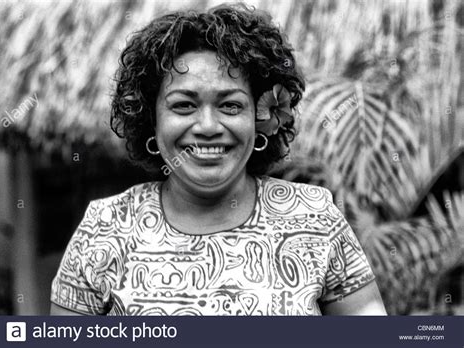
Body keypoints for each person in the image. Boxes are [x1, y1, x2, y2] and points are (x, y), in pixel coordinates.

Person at [50, 3, 387, 316]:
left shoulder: (314, 219)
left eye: (230, 105)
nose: (208, 127)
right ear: (151, 120)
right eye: (183, 105)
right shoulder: (105, 229)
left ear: (260, 118)